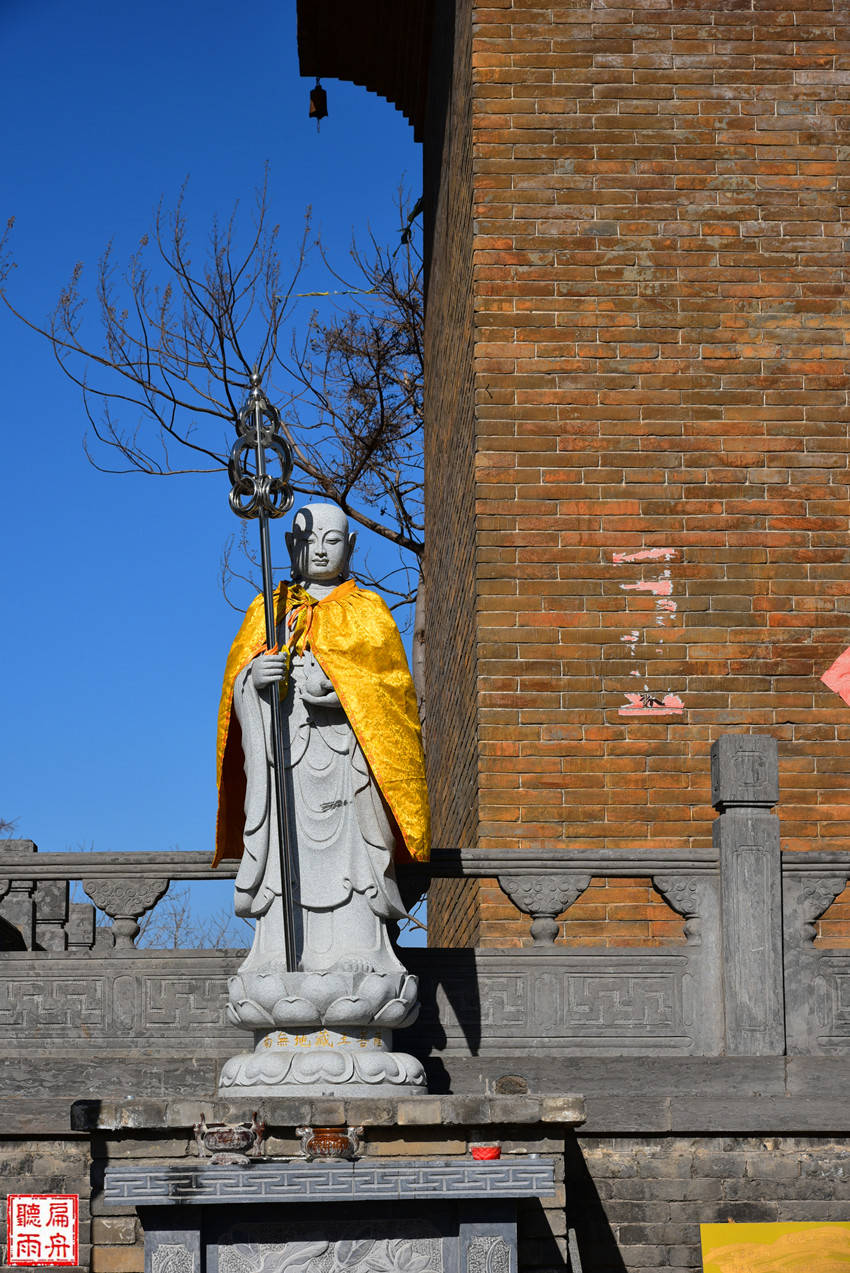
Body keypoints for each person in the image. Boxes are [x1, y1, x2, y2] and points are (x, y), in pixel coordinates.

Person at [213, 502, 429, 978]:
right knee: (283, 859)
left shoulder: (368, 611)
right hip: (285, 765)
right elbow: (236, 693)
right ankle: (276, 952)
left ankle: (363, 950)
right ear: (291, 545)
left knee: (354, 858)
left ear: (350, 547)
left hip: (348, 770)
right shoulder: (267, 611)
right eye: (309, 540)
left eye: (332, 540)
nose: (320, 550)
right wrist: (255, 678)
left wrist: (347, 693)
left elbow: (392, 694)